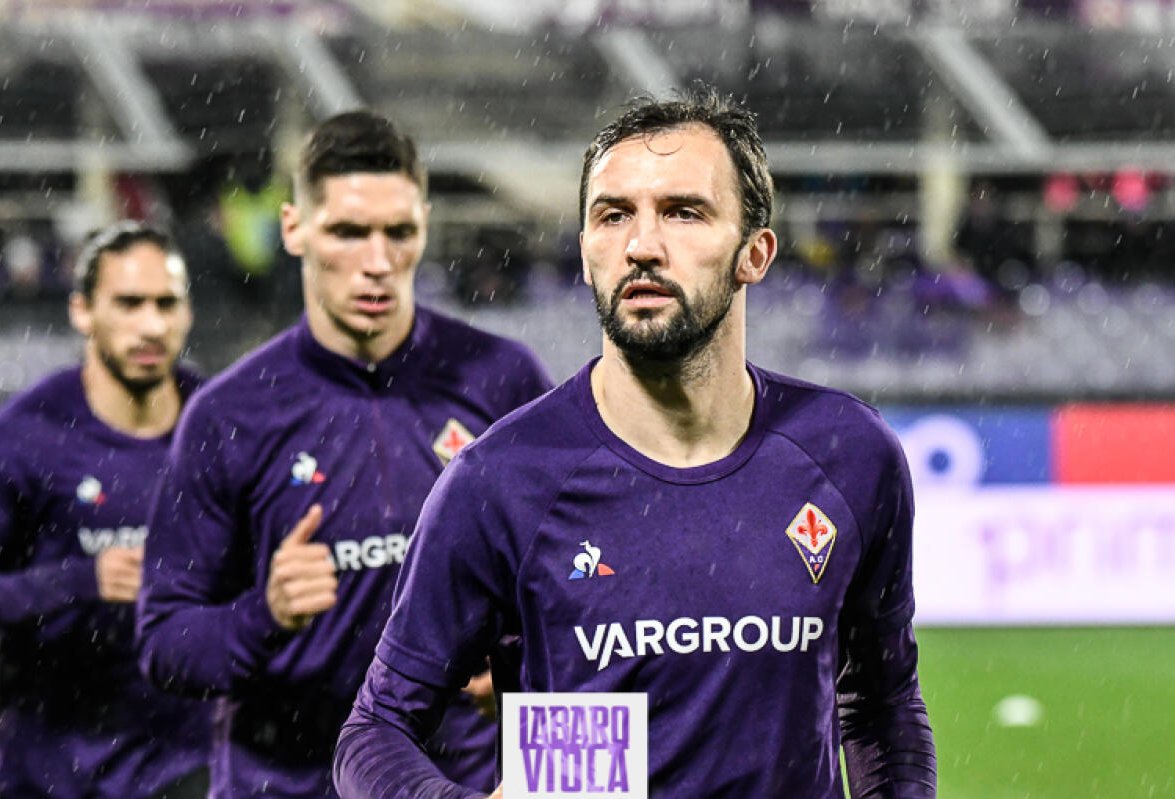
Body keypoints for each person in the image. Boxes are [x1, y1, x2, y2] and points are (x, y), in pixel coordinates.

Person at [334, 86, 938, 798]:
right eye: (612, 215)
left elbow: (881, 702)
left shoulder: (848, 454)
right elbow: (375, 731)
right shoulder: (502, 481)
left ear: (755, 251)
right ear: (587, 251)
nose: (642, 245)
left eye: (684, 212)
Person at [137, 110, 553, 799]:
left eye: (399, 232)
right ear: (295, 228)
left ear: (424, 220)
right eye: (348, 232)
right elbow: (164, 642)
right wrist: (261, 616)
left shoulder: (503, 381)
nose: (378, 261)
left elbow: (579, 589)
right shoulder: (229, 414)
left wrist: (519, 676)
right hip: (283, 782)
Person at [0, 221, 209, 799]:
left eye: (166, 303)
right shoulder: (25, 437)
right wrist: (81, 581)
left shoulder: (221, 426)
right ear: (82, 311)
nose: (151, 325)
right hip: (54, 773)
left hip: (189, 766)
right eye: (129, 304)